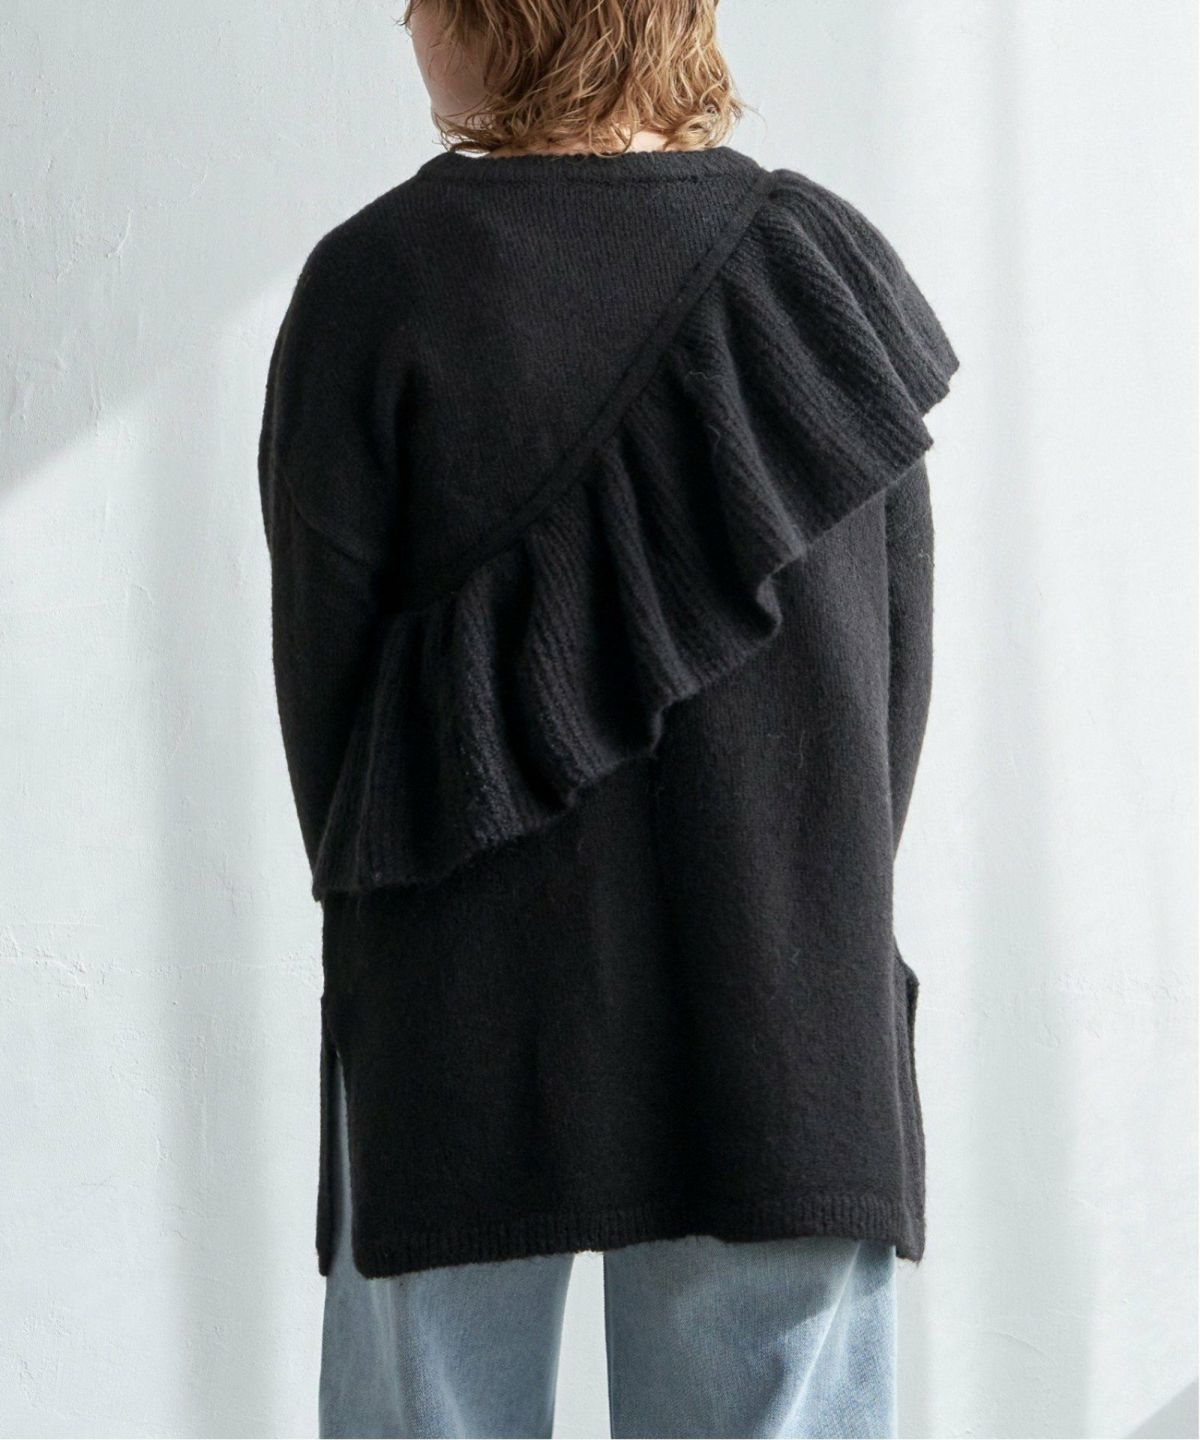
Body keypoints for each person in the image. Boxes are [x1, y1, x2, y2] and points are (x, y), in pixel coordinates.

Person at [257, 1, 959, 1434]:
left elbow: (329, 731)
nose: (404, 16)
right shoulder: (820, 266)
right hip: (782, 1019)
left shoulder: (375, 284)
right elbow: (891, 698)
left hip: (453, 1025)